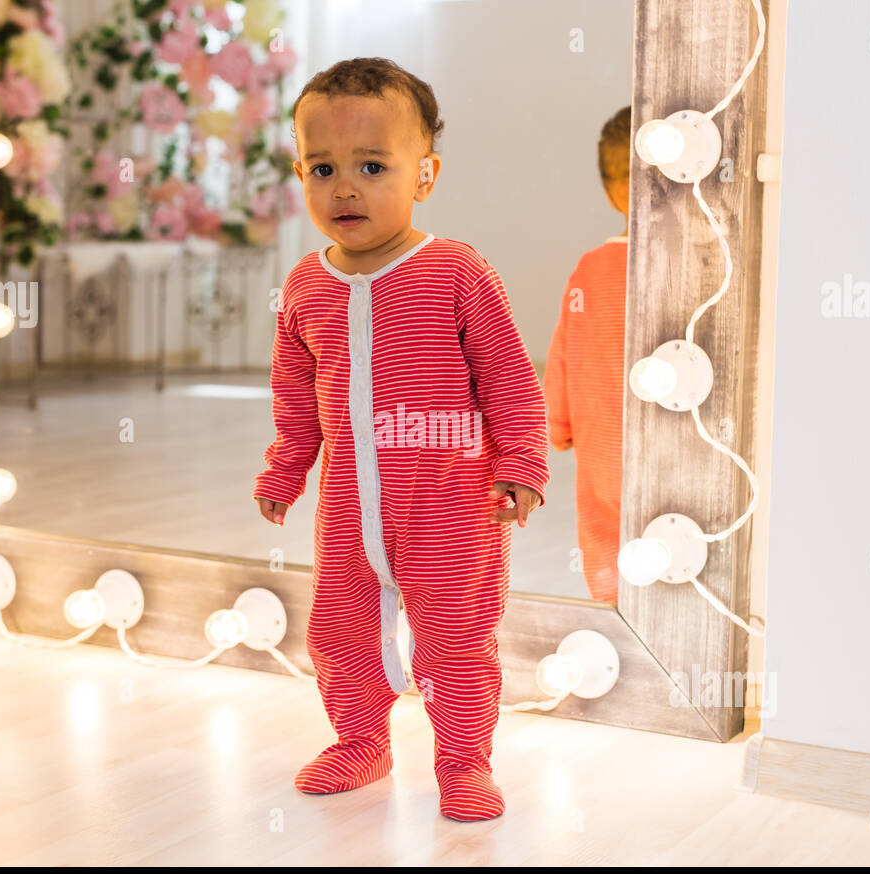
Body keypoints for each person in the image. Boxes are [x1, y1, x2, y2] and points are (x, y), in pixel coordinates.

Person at [252, 57, 549, 822]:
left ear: (425, 175)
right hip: (349, 513)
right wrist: (286, 470)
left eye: (372, 165)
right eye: (323, 167)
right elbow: (294, 398)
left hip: (454, 506)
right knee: (342, 635)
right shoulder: (304, 287)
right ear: (300, 173)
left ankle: (462, 759)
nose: (344, 186)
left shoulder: (456, 271)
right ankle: (361, 741)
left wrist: (520, 465)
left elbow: (510, 378)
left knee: (454, 640)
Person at [543, 106, 632, 604]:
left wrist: (559, 426)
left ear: (607, 189)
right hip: (667, 445)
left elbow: (563, 355)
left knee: (604, 533)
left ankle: (613, 614)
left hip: (602, 448)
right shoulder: (699, 267)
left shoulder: (591, 269)